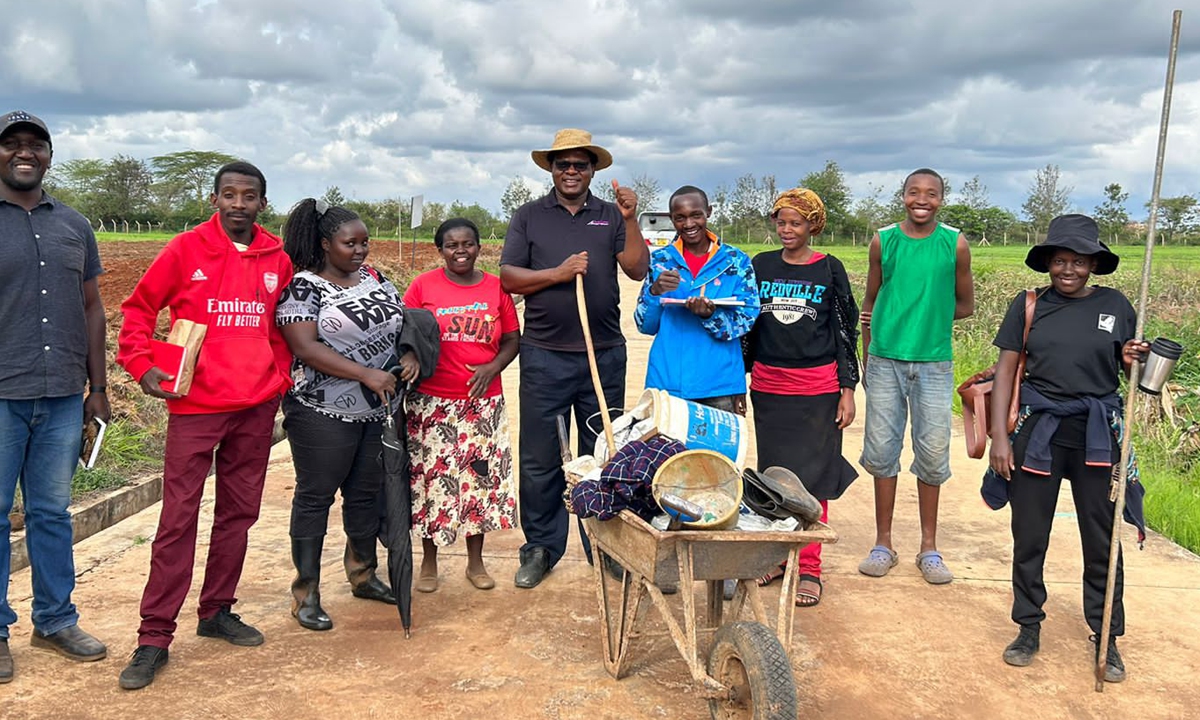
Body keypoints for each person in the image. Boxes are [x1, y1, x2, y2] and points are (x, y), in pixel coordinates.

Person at [115, 161, 293, 690]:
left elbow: (280, 327)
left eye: (249, 195)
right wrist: (143, 366)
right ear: (214, 199)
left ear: (262, 202)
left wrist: (276, 376)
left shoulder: (276, 258)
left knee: (238, 513)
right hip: (195, 404)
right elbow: (139, 310)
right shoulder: (185, 250)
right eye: (229, 194)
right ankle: (154, 636)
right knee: (178, 519)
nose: (238, 203)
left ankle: (216, 610)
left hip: (255, 406)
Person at [987, 214, 1147, 683]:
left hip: (1097, 435)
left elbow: (1132, 373)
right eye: (1060, 260)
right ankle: (1028, 626)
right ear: (1049, 263)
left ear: (1094, 264)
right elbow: (1005, 372)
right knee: (1030, 534)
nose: (1069, 270)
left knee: (1101, 540)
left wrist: (1134, 358)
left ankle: (1106, 635)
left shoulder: (1116, 305)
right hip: (1040, 433)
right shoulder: (1029, 304)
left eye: (1079, 261)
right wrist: (1000, 436)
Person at [500, 128, 649, 589]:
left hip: (602, 353)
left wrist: (631, 218)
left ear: (592, 171)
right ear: (550, 169)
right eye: (562, 164)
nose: (570, 171)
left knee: (605, 454)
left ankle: (604, 548)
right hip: (544, 355)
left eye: (579, 165)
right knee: (541, 458)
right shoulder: (528, 216)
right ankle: (541, 548)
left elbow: (637, 269)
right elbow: (508, 277)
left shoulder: (609, 215)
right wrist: (558, 273)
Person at [0, 110, 108, 682]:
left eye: (35, 145)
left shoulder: (74, 225)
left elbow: (92, 308)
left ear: (48, 155)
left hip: (65, 396)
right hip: (1, 396)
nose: (24, 153)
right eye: (12, 144)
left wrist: (99, 388)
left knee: (50, 513)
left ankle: (54, 620)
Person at [275, 198, 416, 632]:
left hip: (377, 411)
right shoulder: (304, 287)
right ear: (324, 244)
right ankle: (306, 594)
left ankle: (363, 574)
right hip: (323, 411)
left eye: (364, 242)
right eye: (349, 243)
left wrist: (408, 353)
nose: (360, 250)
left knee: (365, 494)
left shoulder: (373, 277)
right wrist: (366, 374)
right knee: (316, 498)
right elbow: (305, 347)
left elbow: (402, 320)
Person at [858, 168, 974, 584]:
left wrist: (927, 319)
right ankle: (883, 543)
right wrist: (870, 348)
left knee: (931, 451)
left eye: (931, 193)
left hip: (933, 363)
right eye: (913, 192)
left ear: (942, 199)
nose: (921, 199)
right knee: (882, 449)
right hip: (885, 359)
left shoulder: (954, 243)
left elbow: (964, 304)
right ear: (902, 195)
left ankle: (929, 548)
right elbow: (870, 301)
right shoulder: (883, 240)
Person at [745, 188, 859, 607]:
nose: (787, 229)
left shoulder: (829, 269)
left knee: (814, 477)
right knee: (773, 476)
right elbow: (749, 327)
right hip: (770, 388)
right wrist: (740, 379)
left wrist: (848, 390)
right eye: (781, 221)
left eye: (796, 222)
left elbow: (844, 332)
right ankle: (776, 558)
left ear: (813, 225)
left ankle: (809, 566)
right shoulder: (762, 265)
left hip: (817, 389)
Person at [403, 218, 520, 593]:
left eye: (467, 244)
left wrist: (493, 366)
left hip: (481, 405)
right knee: (431, 482)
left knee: (477, 484)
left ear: (479, 247)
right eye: (452, 245)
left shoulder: (496, 288)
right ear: (440, 250)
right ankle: (429, 561)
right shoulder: (423, 286)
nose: (460, 251)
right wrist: (411, 358)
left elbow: (513, 341)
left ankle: (475, 562)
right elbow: (404, 333)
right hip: (431, 403)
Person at [634, 185, 759, 414]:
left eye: (696, 215)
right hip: (667, 383)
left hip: (719, 385)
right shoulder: (661, 261)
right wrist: (654, 292)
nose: (689, 224)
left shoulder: (735, 262)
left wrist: (711, 315)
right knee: (669, 451)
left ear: (708, 212)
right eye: (680, 218)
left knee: (716, 452)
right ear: (672, 219)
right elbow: (645, 325)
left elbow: (747, 319)